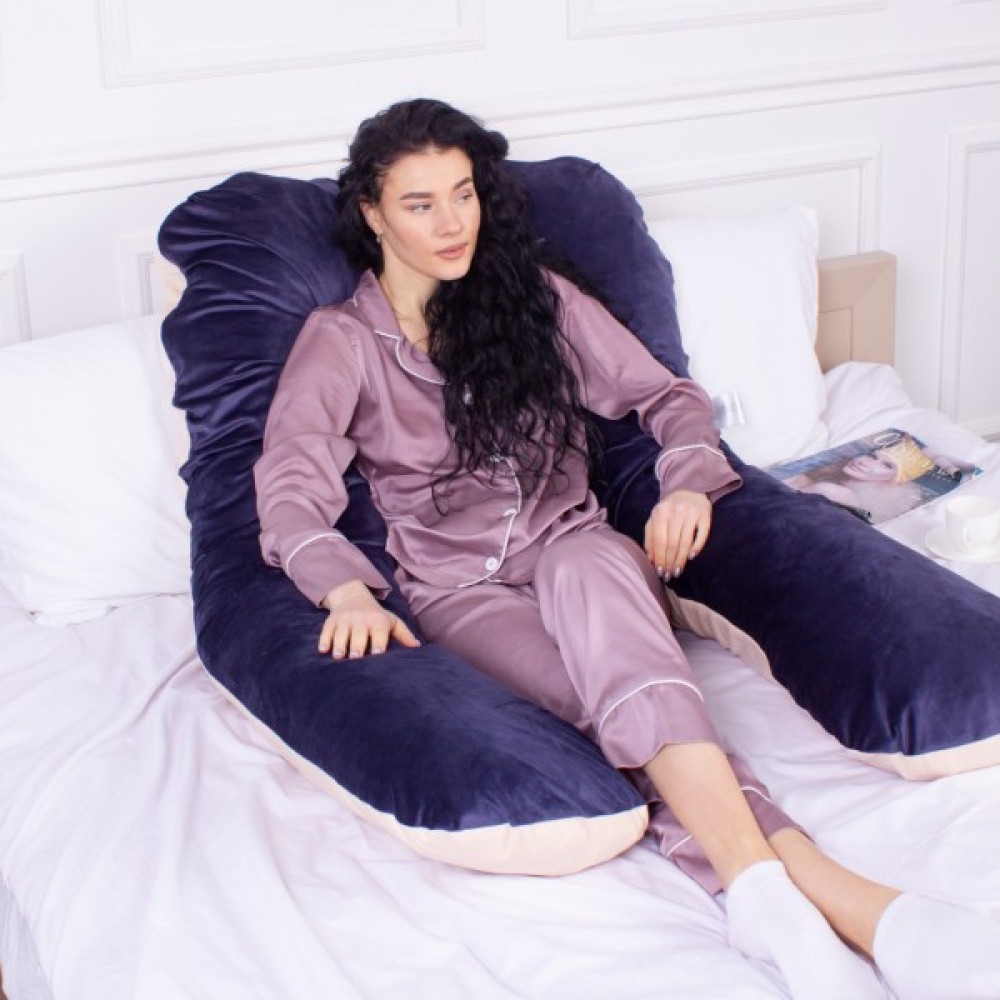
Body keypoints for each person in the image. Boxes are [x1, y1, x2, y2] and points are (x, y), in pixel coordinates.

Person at [254, 98, 1000, 1000]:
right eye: (420, 204)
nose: (452, 223)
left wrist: (686, 480)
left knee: (597, 572)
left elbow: (665, 395)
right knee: (621, 714)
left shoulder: (534, 298)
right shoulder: (340, 343)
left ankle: (771, 900)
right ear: (373, 214)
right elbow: (290, 487)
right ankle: (840, 901)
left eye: (463, 194)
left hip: (577, 547)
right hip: (461, 591)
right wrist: (345, 590)